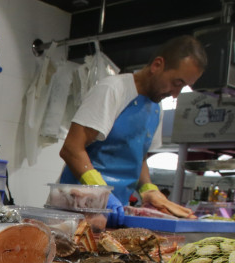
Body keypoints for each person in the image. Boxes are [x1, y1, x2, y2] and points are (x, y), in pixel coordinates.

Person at [58, 35, 207, 222]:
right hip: (76, 209)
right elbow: (71, 148)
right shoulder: (113, 89)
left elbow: (138, 156)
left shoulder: (155, 107)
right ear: (157, 65)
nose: (175, 94)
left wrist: (148, 189)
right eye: (176, 83)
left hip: (116, 209)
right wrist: (101, 192)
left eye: (183, 87)